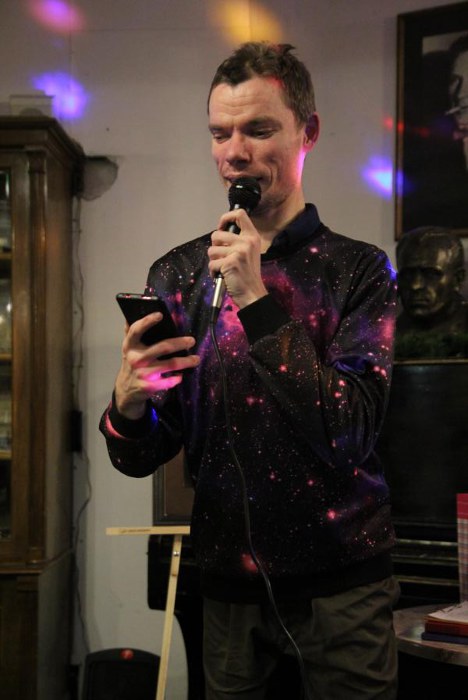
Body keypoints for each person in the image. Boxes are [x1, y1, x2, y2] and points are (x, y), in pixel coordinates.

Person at [100, 42, 399, 699]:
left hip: (341, 581)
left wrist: (256, 300)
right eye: (219, 133)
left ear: (307, 132)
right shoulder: (179, 274)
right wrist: (127, 406)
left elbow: (349, 429)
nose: (234, 152)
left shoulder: (359, 271)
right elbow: (141, 455)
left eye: (258, 130)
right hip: (228, 582)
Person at [395, 225, 468, 359]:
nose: (415, 286)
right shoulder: (384, 335)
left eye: (430, 274)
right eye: (408, 275)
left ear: (458, 279)